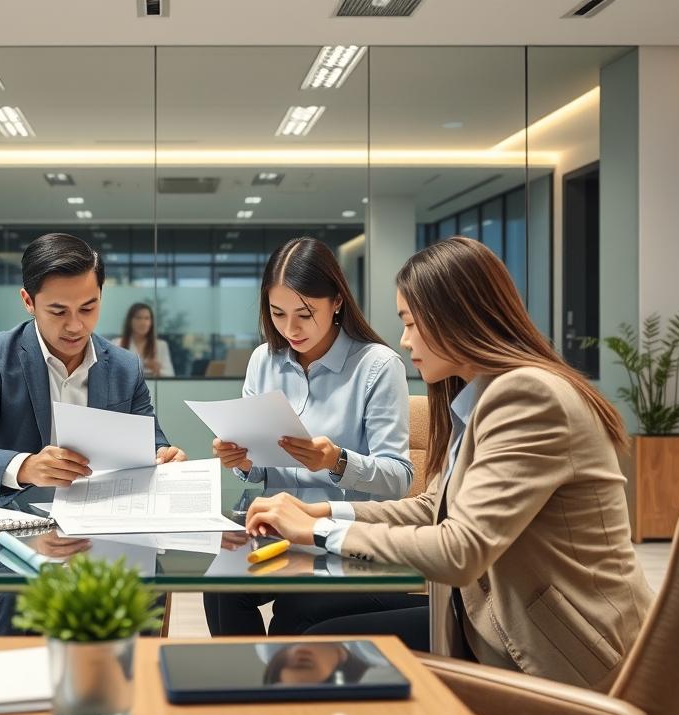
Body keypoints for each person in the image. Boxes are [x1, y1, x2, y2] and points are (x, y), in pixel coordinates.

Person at [244, 236, 654, 691]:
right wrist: (322, 512)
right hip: (490, 617)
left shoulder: (528, 398)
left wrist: (318, 531)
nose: (403, 339)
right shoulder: (476, 397)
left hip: (559, 651)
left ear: (460, 320)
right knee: (305, 632)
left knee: (312, 646)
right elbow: (431, 507)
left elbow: (460, 550)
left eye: (412, 323)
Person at [0, 232, 187, 634]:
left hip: (97, 521)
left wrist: (166, 455)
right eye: (58, 311)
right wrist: (26, 467)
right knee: (21, 596)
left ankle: (126, 691)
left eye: (88, 307)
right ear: (28, 301)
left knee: (141, 588)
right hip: (9, 520)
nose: (76, 325)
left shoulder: (124, 366)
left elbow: (153, 443)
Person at [204, 236, 416, 637]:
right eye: (277, 313)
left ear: (336, 300)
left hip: (338, 539)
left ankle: (280, 692)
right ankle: (247, 691)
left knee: (297, 612)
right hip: (271, 530)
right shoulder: (263, 361)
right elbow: (257, 470)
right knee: (219, 587)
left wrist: (336, 461)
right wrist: (243, 463)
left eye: (304, 313)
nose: (290, 329)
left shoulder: (377, 366)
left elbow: (399, 479)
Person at [113, 302, 174, 378]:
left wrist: (157, 370)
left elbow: (170, 374)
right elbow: (112, 373)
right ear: (129, 321)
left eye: (147, 318)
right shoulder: (117, 344)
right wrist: (144, 365)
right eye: (138, 318)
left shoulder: (161, 345)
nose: (143, 322)